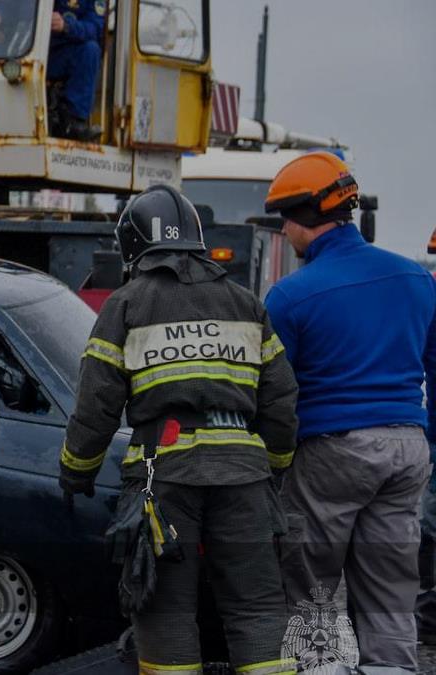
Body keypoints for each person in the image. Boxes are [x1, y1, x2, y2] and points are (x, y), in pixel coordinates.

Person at [59, 184, 299, 675]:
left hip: (164, 480)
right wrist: (274, 466)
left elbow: (97, 403)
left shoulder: (125, 305)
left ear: (132, 245)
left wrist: (76, 471)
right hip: (245, 480)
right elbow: (280, 400)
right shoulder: (245, 303)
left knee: (166, 610)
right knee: (257, 607)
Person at [264, 151, 436, 674]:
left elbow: (275, 393)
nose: (285, 231)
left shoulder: (290, 296)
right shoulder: (417, 279)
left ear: (305, 217)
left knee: (311, 581)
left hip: (331, 450)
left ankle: (319, 665)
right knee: (390, 584)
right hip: (408, 448)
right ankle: (392, 668)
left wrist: (274, 462)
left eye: (285, 219)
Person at [0, 0, 104, 140]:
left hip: (62, 53)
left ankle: (72, 122)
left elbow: (96, 28)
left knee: (90, 50)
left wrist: (67, 26)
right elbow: (15, 4)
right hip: (24, 49)